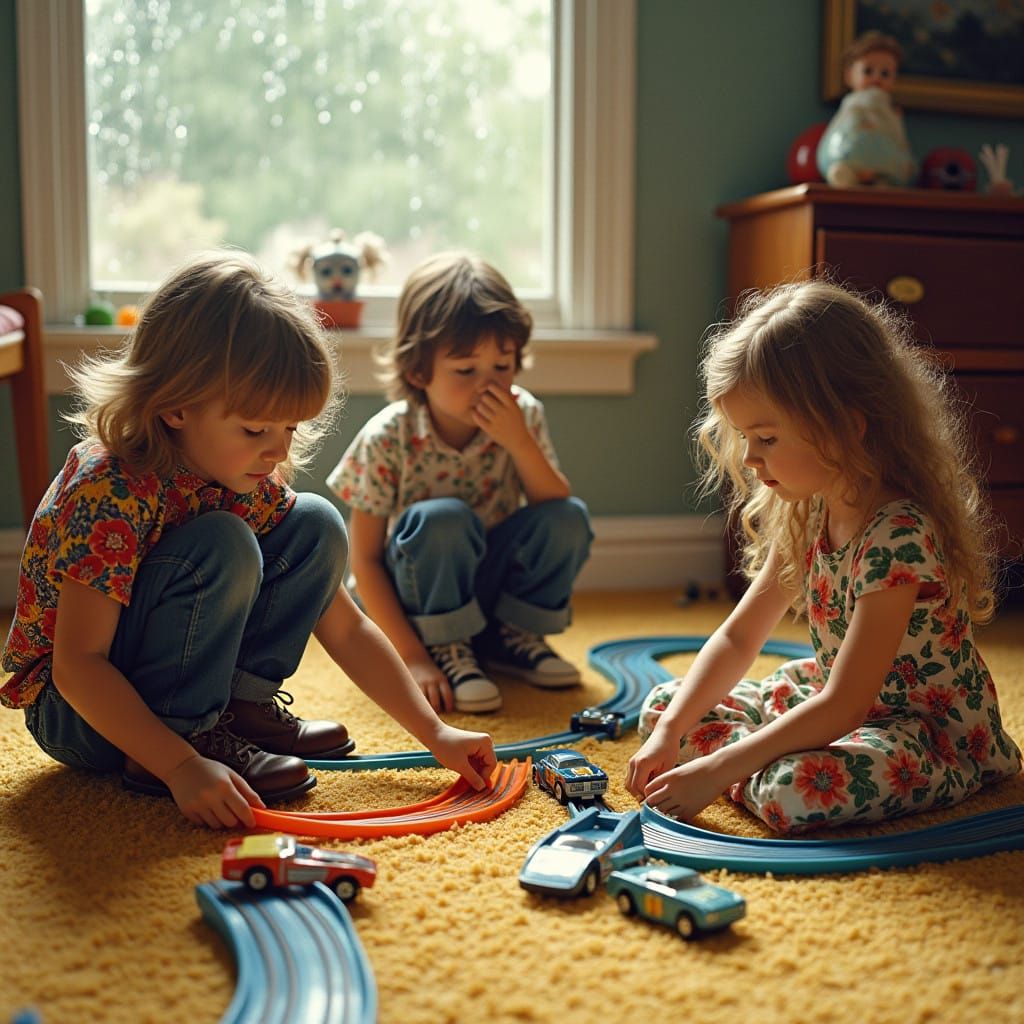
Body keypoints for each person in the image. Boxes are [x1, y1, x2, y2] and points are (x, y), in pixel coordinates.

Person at [0, 250, 496, 830]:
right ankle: (183, 738)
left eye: (290, 427)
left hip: (147, 680)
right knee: (224, 542)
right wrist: (180, 765)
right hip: (79, 715)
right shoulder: (109, 489)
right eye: (257, 428)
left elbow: (346, 625)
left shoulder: (241, 475)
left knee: (316, 522)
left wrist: (435, 733)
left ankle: (238, 709)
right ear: (175, 406)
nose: (279, 449)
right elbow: (78, 667)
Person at [625, 280, 1021, 834]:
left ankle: (746, 768)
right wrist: (671, 733)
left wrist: (716, 768)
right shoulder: (807, 510)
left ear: (843, 428)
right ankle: (748, 764)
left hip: (921, 731)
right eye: (743, 437)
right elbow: (740, 638)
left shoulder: (900, 536)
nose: (750, 458)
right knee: (665, 707)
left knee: (795, 789)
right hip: (831, 698)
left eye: (766, 438)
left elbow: (845, 706)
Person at [328, 251, 592, 715]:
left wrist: (520, 443)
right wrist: (412, 657)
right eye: (466, 371)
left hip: (488, 594)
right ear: (418, 371)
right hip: (417, 602)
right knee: (443, 519)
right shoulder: (389, 435)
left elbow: (555, 506)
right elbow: (364, 562)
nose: (488, 385)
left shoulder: (523, 414)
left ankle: (513, 638)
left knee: (568, 516)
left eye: (502, 367)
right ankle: (446, 647)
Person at [817, 30, 915, 188]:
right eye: (868, 71)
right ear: (849, 75)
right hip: (850, 157)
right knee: (840, 167)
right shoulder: (853, 104)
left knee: (889, 178)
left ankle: (883, 181)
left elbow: (898, 137)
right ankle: (845, 174)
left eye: (885, 74)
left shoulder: (890, 109)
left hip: (882, 162)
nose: (876, 78)